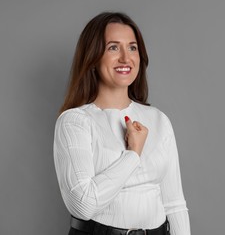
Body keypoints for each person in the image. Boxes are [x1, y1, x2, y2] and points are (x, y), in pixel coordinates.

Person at [53, 12, 191, 235]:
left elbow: (174, 204)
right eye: (113, 48)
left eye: (133, 48)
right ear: (93, 58)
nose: (126, 59)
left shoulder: (158, 119)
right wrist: (133, 154)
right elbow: (83, 204)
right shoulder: (74, 123)